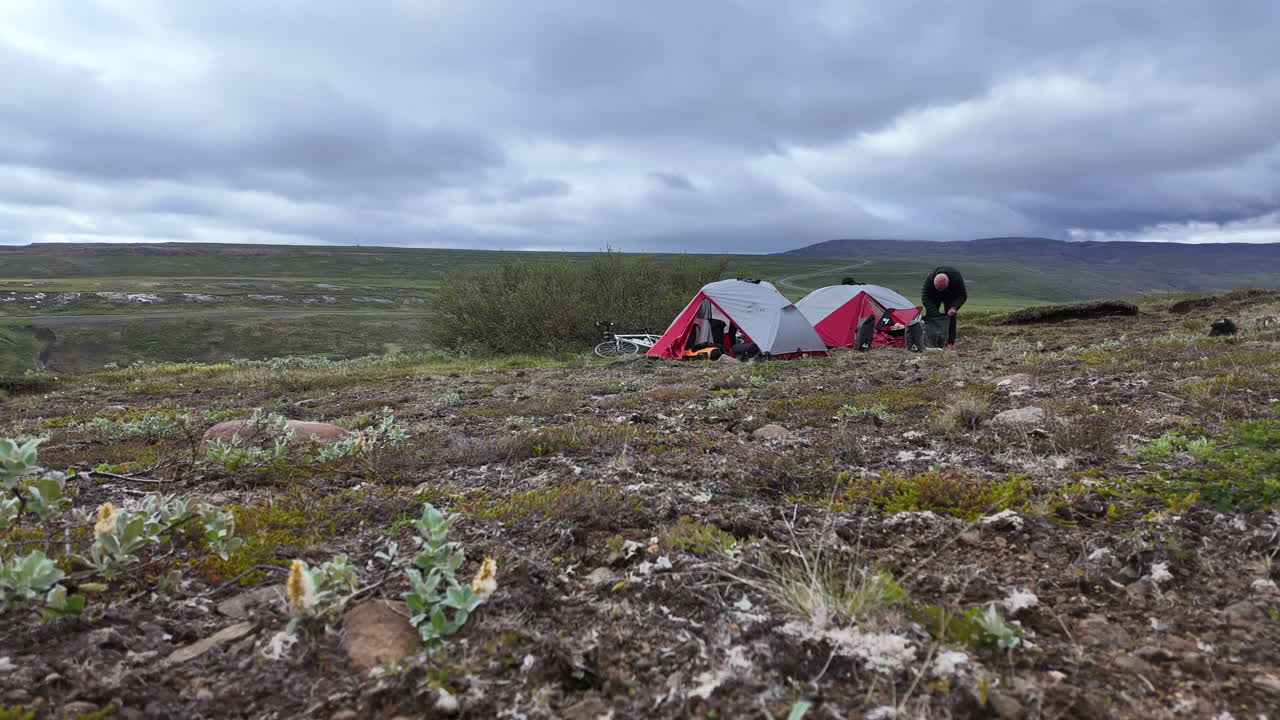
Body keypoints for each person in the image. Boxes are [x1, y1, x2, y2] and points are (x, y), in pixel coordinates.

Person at [921, 267, 967, 347]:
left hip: (950, 295)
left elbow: (962, 295)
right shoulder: (930, 280)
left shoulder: (956, 278)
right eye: (938, 289)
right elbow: (925, 297)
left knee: (951, 317)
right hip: (934, 296)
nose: (940, 291)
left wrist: (954, 307)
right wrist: (934, 313)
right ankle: (932, 340)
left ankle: (950, 342)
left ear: (948, 282)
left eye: (941, 289)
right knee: (932, 316)